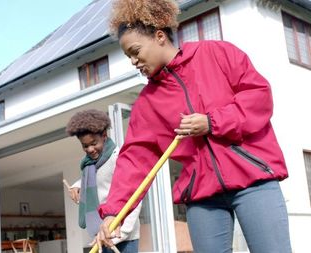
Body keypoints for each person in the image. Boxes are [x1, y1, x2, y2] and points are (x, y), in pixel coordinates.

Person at [95, 0, 292, 252]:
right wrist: (114, 213)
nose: (134, 61)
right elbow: (135, 160)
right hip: (202, 196)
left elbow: (258, 97)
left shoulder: (217, 53)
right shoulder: (147, 104)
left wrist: (212, 122)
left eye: (135, 51)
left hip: (254, 181)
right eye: (128, 57)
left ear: (159, 36)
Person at [66, 109, 141, 253]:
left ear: (104, 136)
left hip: (123, 236)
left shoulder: (119, 159)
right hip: (101, 233)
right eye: (85, 146)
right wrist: (77, 186)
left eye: (94, 143)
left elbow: (134, 198)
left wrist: (120, 233)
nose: (90, 149)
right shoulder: (90, 164)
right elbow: (95, 179)